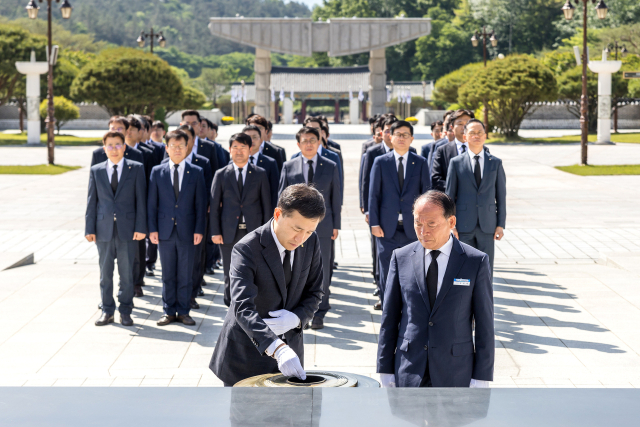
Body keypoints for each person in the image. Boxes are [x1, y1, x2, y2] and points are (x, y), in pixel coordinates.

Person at [209, 184, 325, 386]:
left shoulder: (311, 241)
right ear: (278, 214)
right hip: (246, 356)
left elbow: (315, 291)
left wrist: (297, 318)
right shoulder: (246, 248)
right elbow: (242, 307)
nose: (301, 238)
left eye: (308, 231)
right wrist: (276, 347)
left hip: (291, 354)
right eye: (297, 229)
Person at [377, 191, 494, 388]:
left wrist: (481, 376)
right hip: (409, 369)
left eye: (431, 224)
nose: (424, 232)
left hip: (456, 371)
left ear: (451, 222)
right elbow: (389, 319)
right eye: (418, 224)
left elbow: (484, 324)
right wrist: (385, 369)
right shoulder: (400, 257)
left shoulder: (475, 261)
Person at [278, 127, 341, 330]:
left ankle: (320, 312)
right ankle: (299, 312)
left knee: (321, 269)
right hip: (294, 228)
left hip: (322, 227)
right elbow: (282, 197)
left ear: (320, 142)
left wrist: (336, 225)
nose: (309, 144)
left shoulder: (330, 165)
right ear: (298, 144)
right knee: (296, 268)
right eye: (304, 141)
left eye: (313, 140)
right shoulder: (289, 166)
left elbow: (335, 198)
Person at [85, 131, 147, 327]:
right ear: (104, 148)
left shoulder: (136, 169)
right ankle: (107, 310)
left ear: (124, 147)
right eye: (110, 145)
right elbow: (91, 201)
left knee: (127, 273)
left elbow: (141, 202)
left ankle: (126, 311)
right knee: (105, 273)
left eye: (118, 144)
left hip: (127, 229)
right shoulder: (96, 170)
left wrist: (141, 227)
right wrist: (89, 228)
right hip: (102, 229)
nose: (114, 149)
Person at [148, 130, 207, 326]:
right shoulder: (158, 171)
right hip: (164, 231)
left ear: (187, 148)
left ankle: (183, 311)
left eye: (181, 146)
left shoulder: (196, 172)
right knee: (167, 274)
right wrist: (153, 229)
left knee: (185, 273)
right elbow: (152, 204)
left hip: (188, 232)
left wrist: (199, 230)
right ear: (167, 148)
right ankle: (168, 311)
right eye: (173, 146)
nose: (177, 149)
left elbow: (200, 204)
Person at [369, 120, 431, 305]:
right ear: (390, 137)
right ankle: (387, 304)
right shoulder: (380, 162)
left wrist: (426, 224)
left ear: (412, 138)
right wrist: (374, 223)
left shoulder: (420, 162)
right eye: (398, 134)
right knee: (387, 268)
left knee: (413, 268)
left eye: (405, 135)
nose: (401, 138)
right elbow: (374, 195)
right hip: (387, 227)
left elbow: (427, 194)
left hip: (413, 228)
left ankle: (409, 304)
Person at [210, 133, 272, 307]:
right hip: (228, 232)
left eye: (243, 147)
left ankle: (251, 306)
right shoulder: (221, 174)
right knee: (230, 272)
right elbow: (214, 206)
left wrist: (267, 234)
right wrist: (215, 232)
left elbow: (267, 206)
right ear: (229, 150)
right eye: (235, 147)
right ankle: (231, 307)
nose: (239, 151)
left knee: (254, 271)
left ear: (250, 150)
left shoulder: (260, 174)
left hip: (254, 232)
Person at [446, 119, 506, 279]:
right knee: (463, 269)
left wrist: (500, 224)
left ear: (485, 136)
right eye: (472, 132)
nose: (476, 136)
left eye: (480, 132)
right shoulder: (456, 163)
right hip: (463, 226)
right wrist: (451, 226)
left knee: (485, 270)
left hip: (488, 226)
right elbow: (449, 197)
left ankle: (484, 303)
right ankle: (464, 303)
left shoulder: (496, 163)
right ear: (465, 136)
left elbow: (501, 197)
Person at [170, 124, 213, 308]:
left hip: (193, 223)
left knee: (193, 263)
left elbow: (205, 197)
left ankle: (190, 297)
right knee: (171, 269)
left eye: (183, 142)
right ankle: (172, 304)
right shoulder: (163, 166)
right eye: (175, 143)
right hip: (169, 227)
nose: (179, 147)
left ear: (191, 143)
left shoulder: (201, 164)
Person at [125, 115, 155, 297]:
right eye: (125, 129)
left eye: (132, 130)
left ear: (139, 132)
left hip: (141, 206)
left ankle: (137, 281)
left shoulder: (148, 153)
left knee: (138, 247)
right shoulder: (115, 151)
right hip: (121, 209)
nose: (128, 133)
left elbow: (152, 182)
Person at [431, 109, 474, 191]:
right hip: (451, 200)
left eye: (468, 123)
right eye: (460, 124)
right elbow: (436, 179)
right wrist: (455, 189)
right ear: (452, 127)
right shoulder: (442, 150)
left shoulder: (483, 150)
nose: (464, 127)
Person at [243, 125, 280, 209]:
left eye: (254, 137)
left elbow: (275, 190)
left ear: (260, 140)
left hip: (263, 210)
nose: (251, 140)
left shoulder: (270, 163)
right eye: (248, 137)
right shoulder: (234, 162)